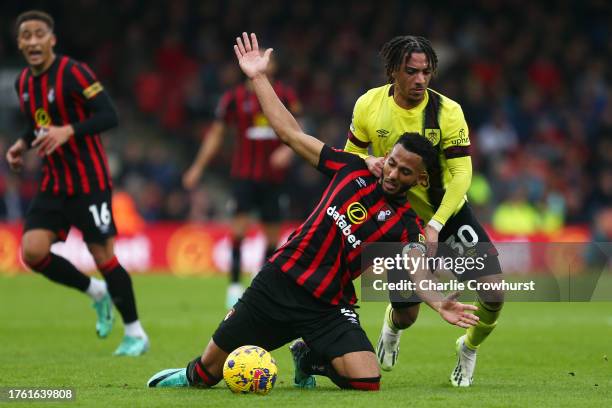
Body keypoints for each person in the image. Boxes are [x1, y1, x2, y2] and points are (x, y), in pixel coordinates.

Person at [147, 33, 479, 391]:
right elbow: (289, 133)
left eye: (404, 171)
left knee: (367, 381)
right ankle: (189, 374)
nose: (393, 173)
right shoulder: (351, 166)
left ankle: (310, 354)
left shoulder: (406, 225)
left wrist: (438, 302)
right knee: (207, 375)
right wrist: (259, 76)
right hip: (280, 282)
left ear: (420, 178)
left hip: (329, 303)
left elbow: (416, 268)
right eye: (392, 162)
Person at [344, 35, 504, 386]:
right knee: (407, 313)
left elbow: (462, 173)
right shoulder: (369, 105)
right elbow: (349, 155)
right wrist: (368, 159)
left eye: (426, 72)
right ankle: (392, 324)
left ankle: (469, 348)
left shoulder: (447, 111)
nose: (420, 80)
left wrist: (435, 224)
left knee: (494, 292)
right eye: (411, 71)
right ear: (392, 72)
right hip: (399, 220)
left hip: (445, 214)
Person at [5, 10, 148, 356]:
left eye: (40, 34)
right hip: (54, 184)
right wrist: (22, 144)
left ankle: (135, 334)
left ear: (52, 40)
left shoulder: (73, 72)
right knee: (33, 253)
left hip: (90, 182)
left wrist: (68, 131)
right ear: (20, 44)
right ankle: (95, 293)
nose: (33, 41)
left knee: (104, 257)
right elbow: (39, 122)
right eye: (26, 36)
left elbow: (108, 115)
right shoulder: (23, 82)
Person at [182, 49, 301, 309]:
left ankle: (259, 283)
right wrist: (197, 167)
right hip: (245, 176)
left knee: (271, 239)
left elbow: (298, 128)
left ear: (274, 65)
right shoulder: (233, 98)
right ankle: (234, 287)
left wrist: (287, 150)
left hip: (274, 178)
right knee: (238, 231)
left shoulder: (285, 94)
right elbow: (216, 134)